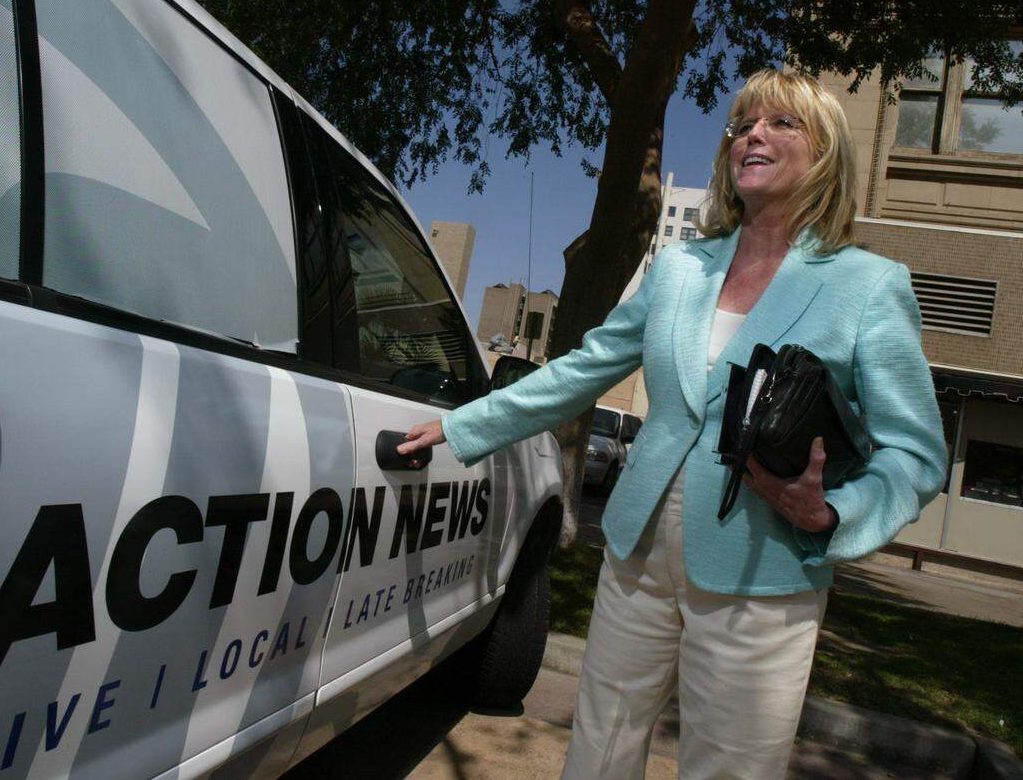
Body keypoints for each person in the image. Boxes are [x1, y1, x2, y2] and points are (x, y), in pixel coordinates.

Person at [399, 69, 948, 780]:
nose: (753, 133)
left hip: (765, 568)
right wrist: (463, 424)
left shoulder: (868, 285)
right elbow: (586, 367)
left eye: (781, 123)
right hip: (637, 555)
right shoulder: (682, 267)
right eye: (743, 124)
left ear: (826, 154)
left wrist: (832, 512)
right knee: (598, 748)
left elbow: (914, 452)